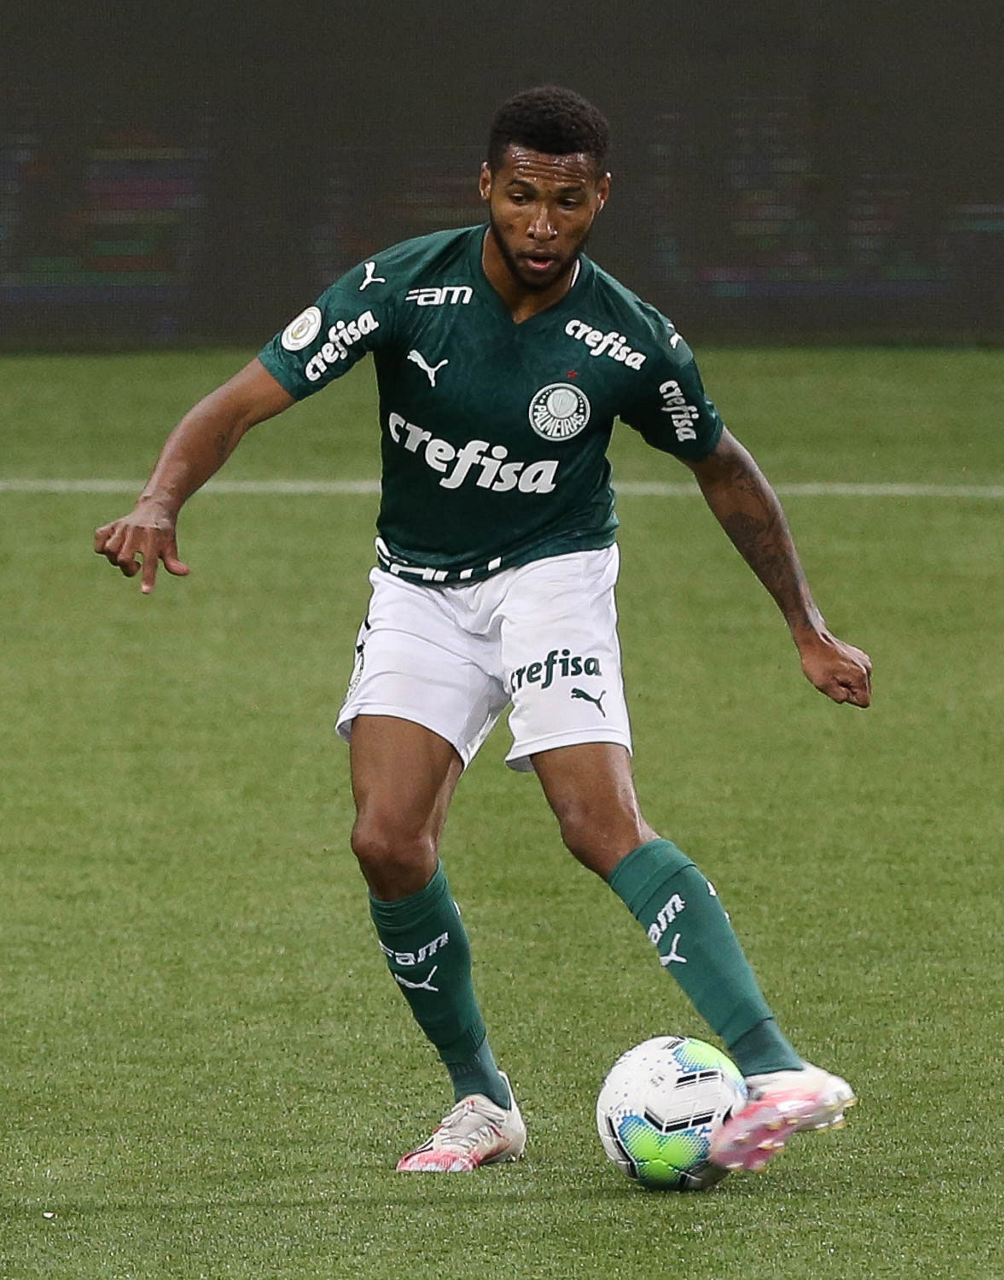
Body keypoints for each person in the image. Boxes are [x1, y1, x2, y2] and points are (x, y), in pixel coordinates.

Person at [95, 86, 872, 1177]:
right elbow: (237, 402)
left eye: (566, 202)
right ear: (485, 188)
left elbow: (723, 468)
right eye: (520, 197)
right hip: (419, 587)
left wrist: (806, 626)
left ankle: (774, 1063)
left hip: (552, 575)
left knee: (595, 821)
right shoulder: (400, 287)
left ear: (600, 198)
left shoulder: (631, 340)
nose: (541, 224)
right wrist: (160, 497)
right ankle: (482, 1098)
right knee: (385, 841)